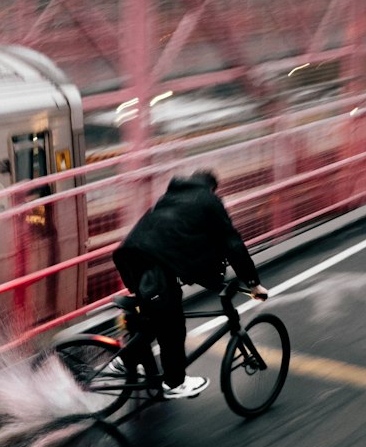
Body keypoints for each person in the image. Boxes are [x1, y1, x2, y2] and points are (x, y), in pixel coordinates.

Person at [113, 168, 268, 398]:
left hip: (130, 258)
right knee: (172, 324)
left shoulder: (171, 197)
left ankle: (126, 361)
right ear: (212, 187)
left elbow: (185, 241)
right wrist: (253, 284)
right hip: (154, 263)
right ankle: (174, 383)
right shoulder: (208, 200)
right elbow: (232, 244)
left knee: (157, 317)